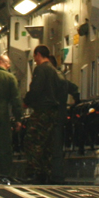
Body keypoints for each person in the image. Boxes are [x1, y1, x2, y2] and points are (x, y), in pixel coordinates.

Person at [23, 45, 68, 183]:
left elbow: (36, 89)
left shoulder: (41, 69)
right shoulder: (54, 71)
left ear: (38, 55)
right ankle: (47, 173)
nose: (35, 60)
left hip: (41, 111)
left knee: (33, 141)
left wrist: (27, 101)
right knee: (48, 143)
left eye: (35, 57)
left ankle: (35, 173)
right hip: (53, 112)